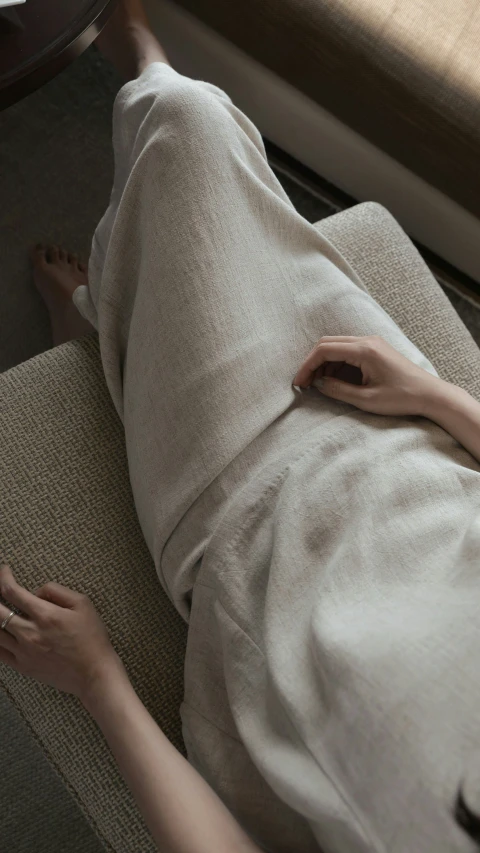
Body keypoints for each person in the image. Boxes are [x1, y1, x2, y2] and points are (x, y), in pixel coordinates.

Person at [1, 2, 480, 851]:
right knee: (196, 127)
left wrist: (101, 679)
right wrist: (434, 396)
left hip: (252, 536)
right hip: (408, 445)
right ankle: (136, 55)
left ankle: (95, 320)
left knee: (184, 127)